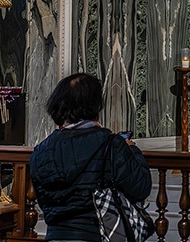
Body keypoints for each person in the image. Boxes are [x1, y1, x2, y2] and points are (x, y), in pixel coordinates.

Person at [30, 73, 152, 242]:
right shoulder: (111, 144)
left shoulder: (40, 151)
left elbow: (44, 201)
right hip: (96, 235)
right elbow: (141, 187)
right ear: (95, 107)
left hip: (55, 236)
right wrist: (132, 150)